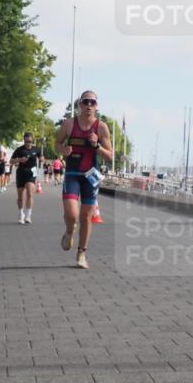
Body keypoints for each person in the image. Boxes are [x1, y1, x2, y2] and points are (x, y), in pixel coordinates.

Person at [54, 90, 113, 269]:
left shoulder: (101, 127)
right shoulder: (69, 124)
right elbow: (57, 143)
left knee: (86, 215)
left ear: (96, 106)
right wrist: (63, 150)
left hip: (90, 176)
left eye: (92, 103)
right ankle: (70, 231)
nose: (88, 105)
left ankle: (82, 253)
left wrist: (96, 146)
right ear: (79, 104)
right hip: (72, 174)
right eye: (85, 102)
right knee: (72, 214)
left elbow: (110, 156)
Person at [10, 132, 42, 224]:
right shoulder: (19, 150)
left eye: (30, 141)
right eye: (27, 141)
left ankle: (28, 215)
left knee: (30, 194)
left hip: (31, 174)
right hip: (21, 173)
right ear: (24, 141)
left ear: (33, 141)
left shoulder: (37, 149)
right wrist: (19, 159)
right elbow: (11, 161)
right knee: (20, 197)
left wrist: (42, 159)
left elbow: (41, 157)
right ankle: (21, 214)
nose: (29, 143)